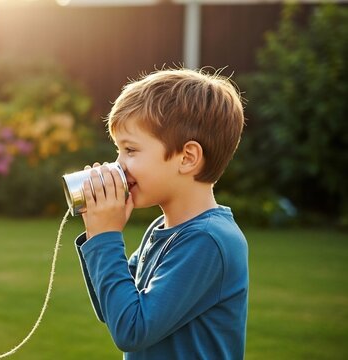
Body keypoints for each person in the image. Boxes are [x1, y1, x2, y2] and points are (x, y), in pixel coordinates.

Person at [75, 68, 248, 359]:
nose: (119, 165)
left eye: (130, 150)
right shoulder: (163, 228)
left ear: (187, 158)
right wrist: (96, 233)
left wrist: (105, 236)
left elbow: (132, 330)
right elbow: (114, 310)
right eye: (119, 150)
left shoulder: (208, 240)